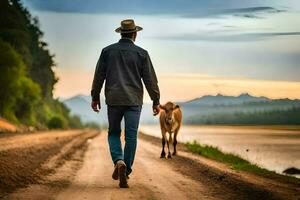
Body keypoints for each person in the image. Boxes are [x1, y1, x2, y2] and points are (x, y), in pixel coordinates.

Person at [91, 19, 160, 188]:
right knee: (131, 136)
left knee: (114, 133)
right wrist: (156, 101)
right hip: (134, 100)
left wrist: (95, 97)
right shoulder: (142, 53)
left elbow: (99, 76)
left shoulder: (107, 52)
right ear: (135, 34)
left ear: (121, 33)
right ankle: (126, 169)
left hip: (114, 100)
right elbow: (150, 80)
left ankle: (118, 161)